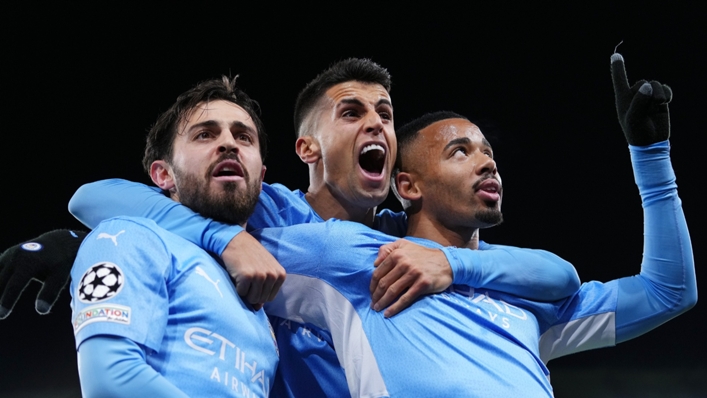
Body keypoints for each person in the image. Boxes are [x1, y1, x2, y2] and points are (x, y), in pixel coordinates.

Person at [0, 59, 579, 397]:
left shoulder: (408, 244)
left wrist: (456, 262)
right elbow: (98, 197)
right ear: (307, 148)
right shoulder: (266, 211)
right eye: (352, 113)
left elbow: (558, 275)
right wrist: (83, 244)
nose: (377, 124)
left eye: (386, 115)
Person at [252, 51, 695, 394]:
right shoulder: (367, 258)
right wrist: (223, 239)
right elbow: (192, 225)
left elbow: (666, 292)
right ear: (406, 186)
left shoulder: (522, 296)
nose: (486, 163)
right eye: (459, 152)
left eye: (488, 151)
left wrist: (652, 156)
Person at [69, 76, 281, 397]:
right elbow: (110, 382)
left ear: (261, 175)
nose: (228, 143)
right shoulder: (129, 236)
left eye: (243, 136)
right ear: (163, 174)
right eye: (205, 135)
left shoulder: (258, 292)